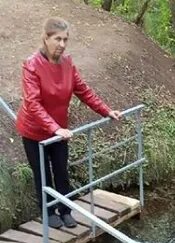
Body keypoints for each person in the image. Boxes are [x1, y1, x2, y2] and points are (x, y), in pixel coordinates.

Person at [16, 17, 121, 229]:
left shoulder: (68, 63)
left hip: (59, 130)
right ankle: (48, 212)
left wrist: (106, 111)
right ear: (46, 38)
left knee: (62, 172)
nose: (62, 44)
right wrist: (54, 128)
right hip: (35, 131)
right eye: (57, 39)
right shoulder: (32, 65)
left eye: (65, 39)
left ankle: (65, 210)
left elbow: (83, 90)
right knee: (42, 174)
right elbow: (33, 104)